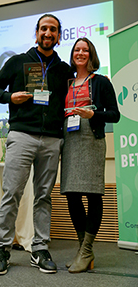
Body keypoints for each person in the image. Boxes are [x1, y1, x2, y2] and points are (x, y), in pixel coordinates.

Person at [0, 14, 72, 275]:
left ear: (59, 36)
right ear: (36, 33)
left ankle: (39, 247)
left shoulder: (64, 70)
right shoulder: (17, 62)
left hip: (51, 139)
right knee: (11, 193)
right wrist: (10, 97)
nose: (48, 33)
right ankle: (2, 247)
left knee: (44, 196)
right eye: (44, 28)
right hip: (22, 135)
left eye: (54, 30)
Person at [60, 37, 120, 273]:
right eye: (77, 49)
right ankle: (83, 249)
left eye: (85, 50)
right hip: (70, 140)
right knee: (71, 194)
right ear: (73, 54)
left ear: (91, 54)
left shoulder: (101, 82)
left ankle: (86, 251)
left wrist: (92, 115)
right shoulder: (67, 82)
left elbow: (115, 115)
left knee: (93, 193)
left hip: (91, 139)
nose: (81, 53)